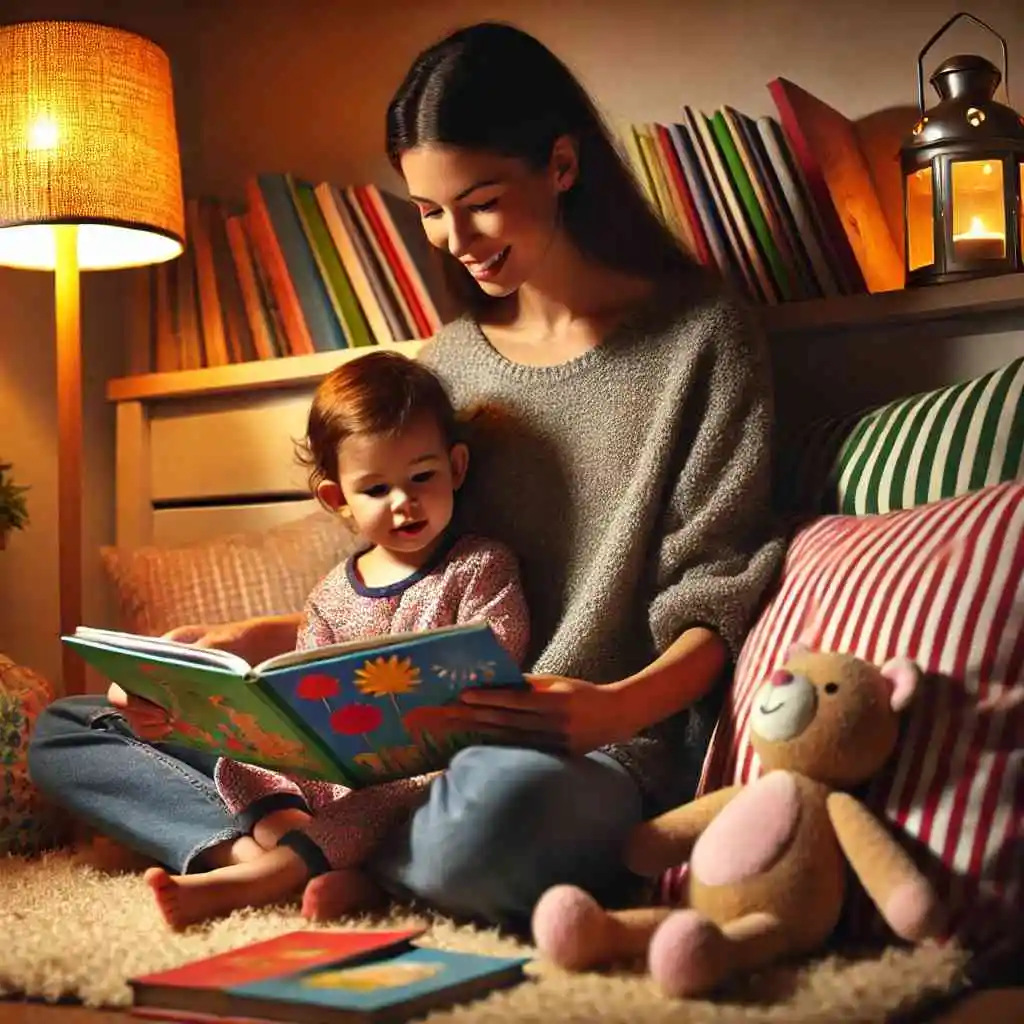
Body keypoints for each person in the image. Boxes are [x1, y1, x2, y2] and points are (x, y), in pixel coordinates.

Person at [29, 21, 785, 931]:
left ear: (561, 165)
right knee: (72, 730)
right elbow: (395, 591)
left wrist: (612, 708)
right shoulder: (451, 363)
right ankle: (268, 857)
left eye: (480, 202)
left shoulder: (703, 338)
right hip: (384, 752)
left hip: (567, 755)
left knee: (488, 819)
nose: (455, 239)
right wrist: (240, 646)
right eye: (429, 211)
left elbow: (718, 591)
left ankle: (309, 850)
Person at [143, 350, 530, 929]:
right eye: (375, 489)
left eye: (422, 477)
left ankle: (255, 879)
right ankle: (336, 869)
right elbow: (306, 681)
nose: (404, 502)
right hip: (328, 776)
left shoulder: (479, 566)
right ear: (337, 500)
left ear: (456, 467)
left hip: (424, 774)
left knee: (386, 797)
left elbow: (498, 656)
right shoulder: (330, 593)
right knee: (240, 764)